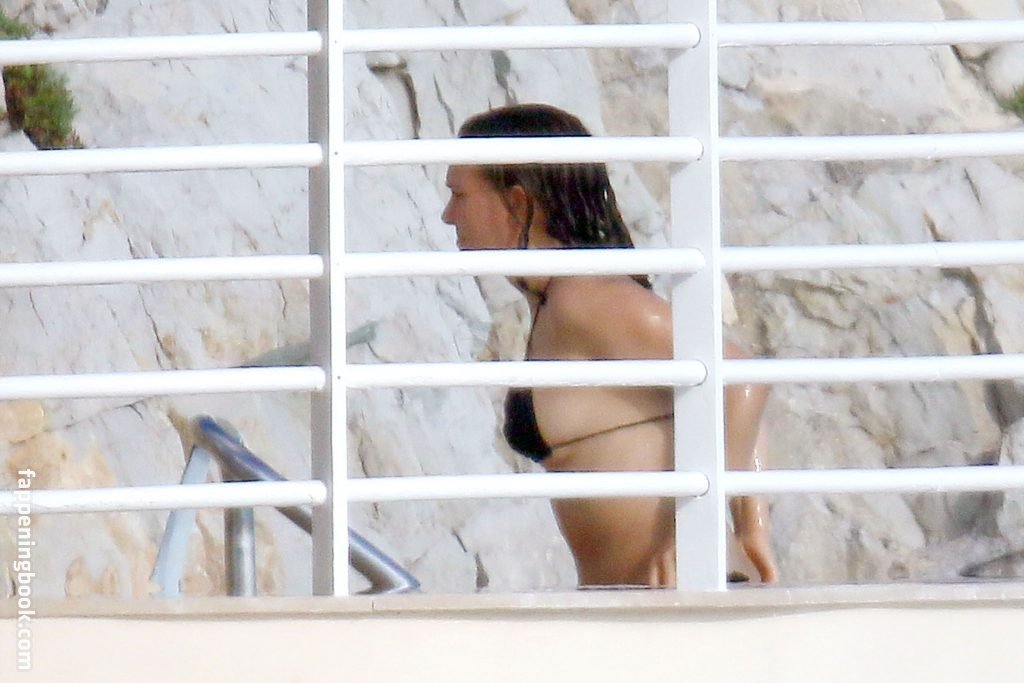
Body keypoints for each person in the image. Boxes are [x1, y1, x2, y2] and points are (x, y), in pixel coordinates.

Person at [441, 103, 778, 587]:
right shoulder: (559, 299)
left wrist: (708, 518)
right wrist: (750, 521)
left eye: (459, 195)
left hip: (685, 594)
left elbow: (739, 377)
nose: (448, 215)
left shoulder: (587, 299)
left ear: (516, 202)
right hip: (645, 599)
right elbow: (727, 403)